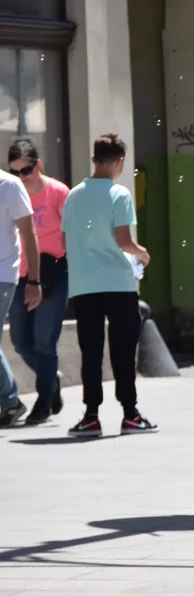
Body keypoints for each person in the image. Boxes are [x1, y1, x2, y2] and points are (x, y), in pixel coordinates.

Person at [63, 134, 156, 438]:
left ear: (93, 159)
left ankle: (91, 417)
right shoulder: (119, 193)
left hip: (83, 284)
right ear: (120, 161)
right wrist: (141, 253)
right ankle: (130, 415)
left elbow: (65, 240)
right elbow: (123, 241)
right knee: (123, 349)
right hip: (117, 281)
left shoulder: (73, 195)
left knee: (90, 350)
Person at [6, 140, 70, 425]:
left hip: (52, 273)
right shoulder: (11, 191)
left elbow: (71, 232)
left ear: (39, 164)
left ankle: (43, 403)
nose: (22, 176)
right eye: (15, 171)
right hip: (19, 275)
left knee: (45, 342)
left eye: (27, 169)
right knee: (20, 341)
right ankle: (51, 377)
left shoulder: (57, 192)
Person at [0, 166, 41, 428]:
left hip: (3, 272)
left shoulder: (10, 186)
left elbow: (29, 233)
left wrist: (34, 280)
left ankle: (12, 400)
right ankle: (11, 399)